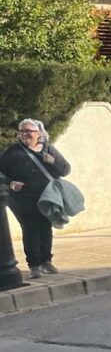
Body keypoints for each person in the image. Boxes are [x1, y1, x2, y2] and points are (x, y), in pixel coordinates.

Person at [0, 119, 71, 278]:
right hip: (21, 199)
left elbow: (65, 169)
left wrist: (52, 161)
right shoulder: (13, 152)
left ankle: (46, 261)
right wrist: (10, 183)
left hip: (47, 197)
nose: (25, 134)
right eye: (22, 131)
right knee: (31, 228)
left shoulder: (48, 149)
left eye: (29, 131)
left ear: (38, 133)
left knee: (45, 228)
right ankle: (35, 264)